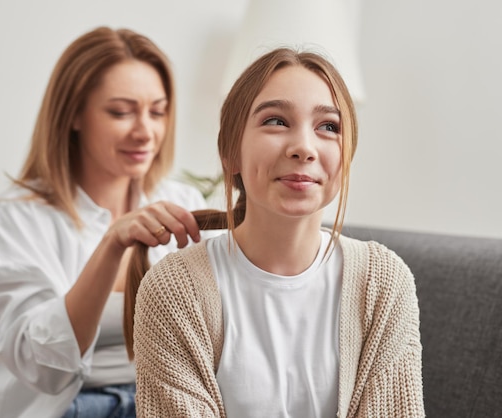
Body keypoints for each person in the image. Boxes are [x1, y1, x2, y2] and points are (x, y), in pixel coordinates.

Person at [124, 47, 425, 417]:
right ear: (230, 152)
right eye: (276, 121)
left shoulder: (383, 283)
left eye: (328, 127)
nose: (303, 147)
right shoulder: (174, 291)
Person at [0, 26, 220, 418]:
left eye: (158, 111)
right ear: (74, 115)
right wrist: (111, 246)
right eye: (120, 112)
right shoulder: (20, 216)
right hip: (59, 404)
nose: (145, 131)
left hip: (155, 400)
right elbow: (41, 366)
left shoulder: (182, 202)